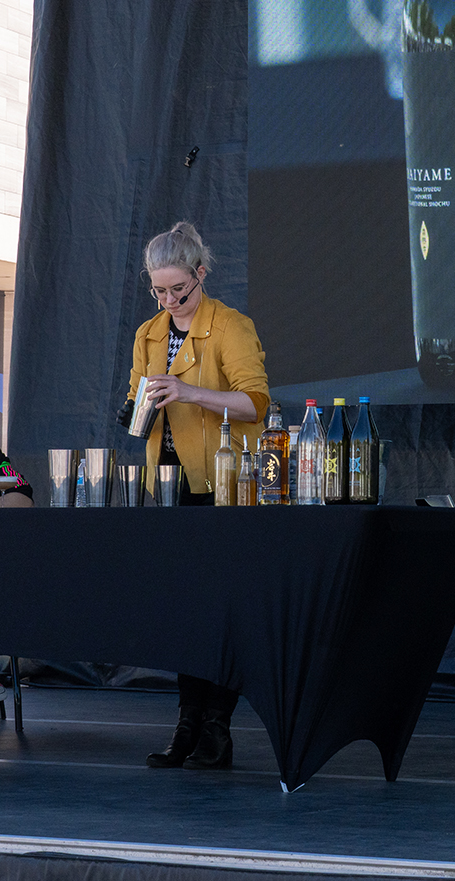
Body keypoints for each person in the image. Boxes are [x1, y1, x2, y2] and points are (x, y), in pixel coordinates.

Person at [124, 221, 269, 772]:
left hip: (223, 484)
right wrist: (135, 407)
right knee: (185, 612)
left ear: (200, 275)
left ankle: (217, 728)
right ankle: (185, 726)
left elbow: (256, 404)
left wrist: (187, 392)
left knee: (220, 611)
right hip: (165, 483)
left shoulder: (230, 326)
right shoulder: (148, 333)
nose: (167, 301)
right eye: (157, 290)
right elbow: (140, 398)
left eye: (176, 290)